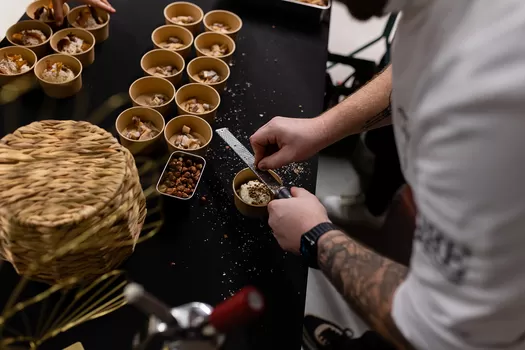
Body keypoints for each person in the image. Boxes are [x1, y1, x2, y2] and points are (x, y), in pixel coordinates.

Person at [250, 0, 525, 349]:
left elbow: (436, 329)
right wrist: (322, 128)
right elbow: (421, 63)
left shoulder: (492, 113)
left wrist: (314, 236)